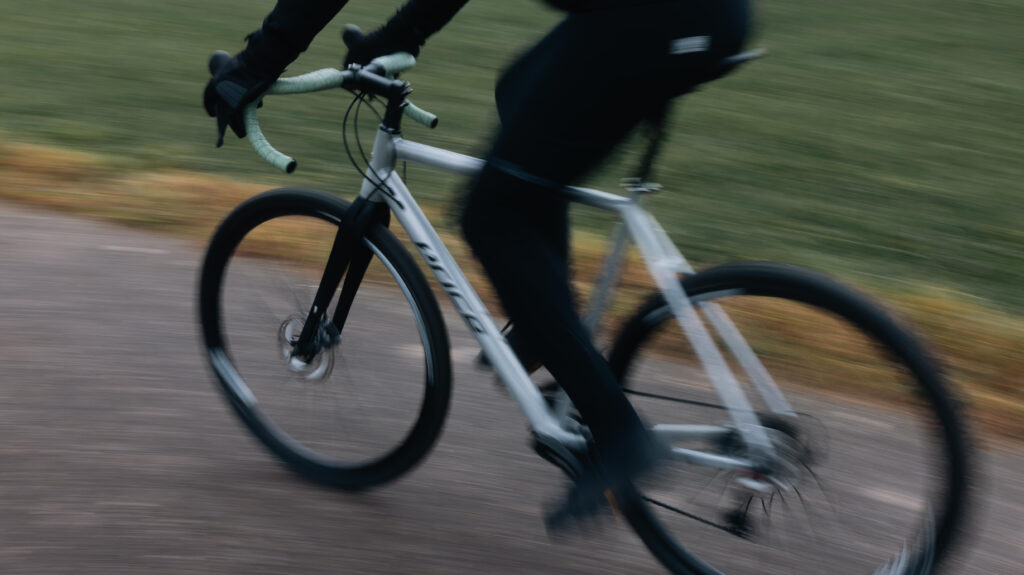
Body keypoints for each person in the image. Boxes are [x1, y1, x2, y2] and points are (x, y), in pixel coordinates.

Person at [205, 0, 751, 526]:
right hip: (674, 16)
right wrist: (398, 37)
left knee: (492, 218)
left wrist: (253, 67)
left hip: (652, 19)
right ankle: (550, 325)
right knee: (520, 92)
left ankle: (618, 434)